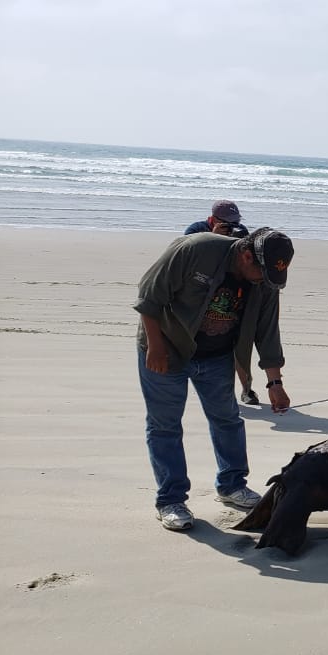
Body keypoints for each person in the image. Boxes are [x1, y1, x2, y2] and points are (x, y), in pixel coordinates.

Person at [135, 226, 295, 531]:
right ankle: (170, 500)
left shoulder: (266, 282)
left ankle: (232, 485)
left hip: (217, 356)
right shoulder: (196, 250)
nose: (265, 282)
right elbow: (149, 296)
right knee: (165, 425)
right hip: (166, 349)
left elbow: (267, 331)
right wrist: (154, 346)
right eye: (262, 274)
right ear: (247, 255)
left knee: (227, 419)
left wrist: (275, 383)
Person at [183, 200, 259, 403]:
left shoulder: (240, 231)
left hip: (232, 293)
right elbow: (189, 259)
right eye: (228, 223)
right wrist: (215, 237)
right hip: (204, 296)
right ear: (213, 219)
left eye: (236, 221)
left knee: (238, 345)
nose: (233, 226)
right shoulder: (197, 230)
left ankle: (247, 389)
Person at [184, 199, 249, 238]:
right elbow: (187, 251)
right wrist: (213, 236)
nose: (232, 225)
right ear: (214, 219)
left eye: (236, 221)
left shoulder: (240, 229)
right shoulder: (196, 229)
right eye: (227, 222)